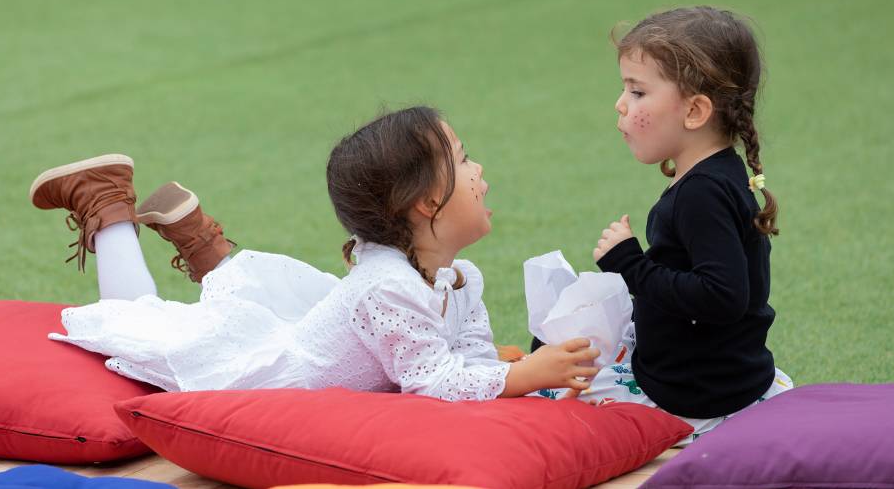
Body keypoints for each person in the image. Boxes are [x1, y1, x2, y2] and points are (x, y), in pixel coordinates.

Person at [33, 106, 599, 400]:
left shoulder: (459, 277)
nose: (480, 171)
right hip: (266, 386)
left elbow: (466, 362)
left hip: (311, 342)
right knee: (141, 326)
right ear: (427, 202)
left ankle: (192, 235)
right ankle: (106, 209)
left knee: (230, 307)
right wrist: (525, 374)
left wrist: (518, 369)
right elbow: (433, 384)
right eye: (464, 159)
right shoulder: (388, 287)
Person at [534, 7, 792, 442]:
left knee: (544, 386)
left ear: (694, 111)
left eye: (636, 92)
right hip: (728, 375)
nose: (619, 103)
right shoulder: (718, 174)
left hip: (691, 396)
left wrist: (630, 264)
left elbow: (723, 297)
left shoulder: (701, 195)